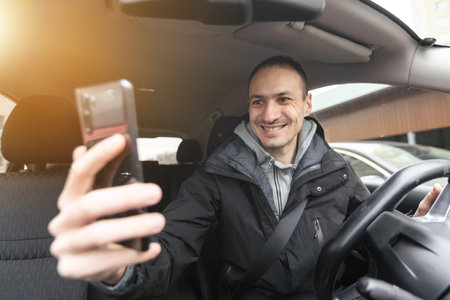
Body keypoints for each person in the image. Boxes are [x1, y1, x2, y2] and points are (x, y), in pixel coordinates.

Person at [49, 55, 441, 299]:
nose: (269, 115)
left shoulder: (335, 168)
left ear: (307, 104)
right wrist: (120, 270)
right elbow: (168, 249)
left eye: (283, 99)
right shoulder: (213, 179)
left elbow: (367, 231)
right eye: (258, 102)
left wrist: (412, 229)